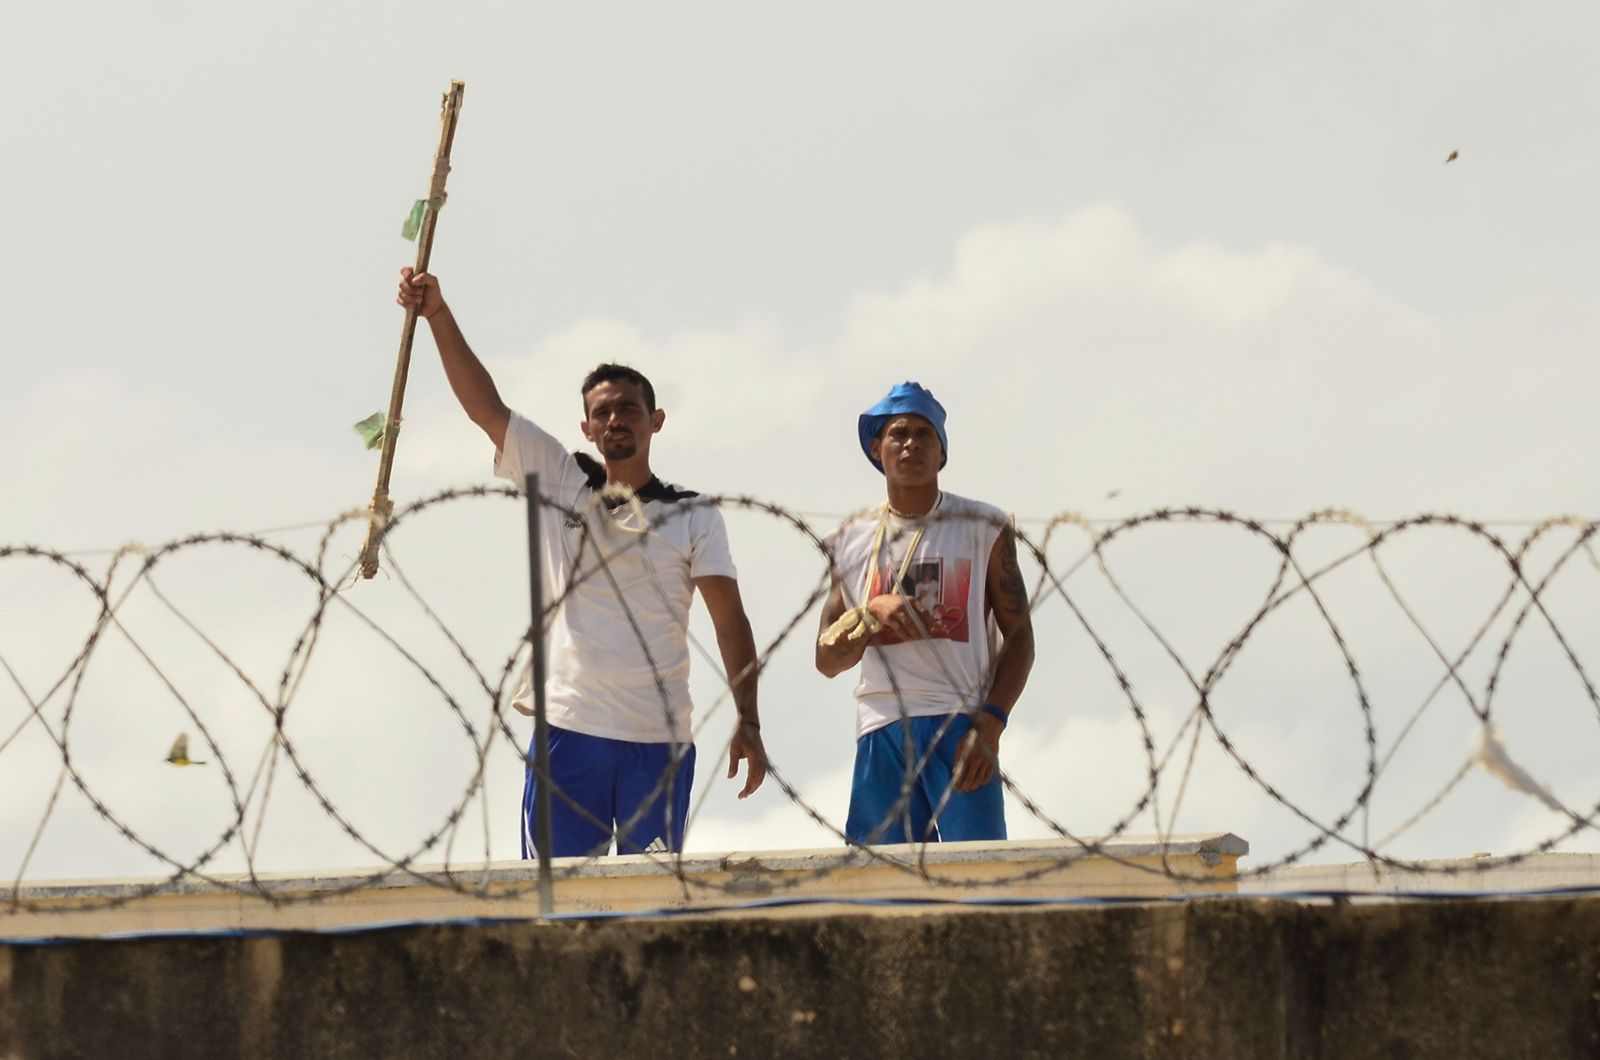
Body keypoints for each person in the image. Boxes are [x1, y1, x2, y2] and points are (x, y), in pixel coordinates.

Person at [397, 267, 767, 858]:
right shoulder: (561, 479)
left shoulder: (693, 514)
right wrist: (437, 314)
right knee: (558, 902)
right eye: (604, 412)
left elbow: (730, 619)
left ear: (656, 419)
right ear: (587, 428)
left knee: (649, 908)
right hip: (570, 727)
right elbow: (484, 407)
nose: (616, 419)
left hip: (658, 735)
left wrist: (749, 720)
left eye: (629, 408)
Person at [815, 381, 1034, 845]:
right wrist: (869, 615)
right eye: (898, 434)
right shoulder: (849, 540)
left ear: (942, 453)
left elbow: (1020, 639)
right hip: (882, 725)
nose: (910, 443)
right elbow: (827, 659)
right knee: (883, 883)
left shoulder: (983, 527)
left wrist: (991, 724)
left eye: (923, 434)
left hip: (960, 720)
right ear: (878, 449)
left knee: (976, 876)